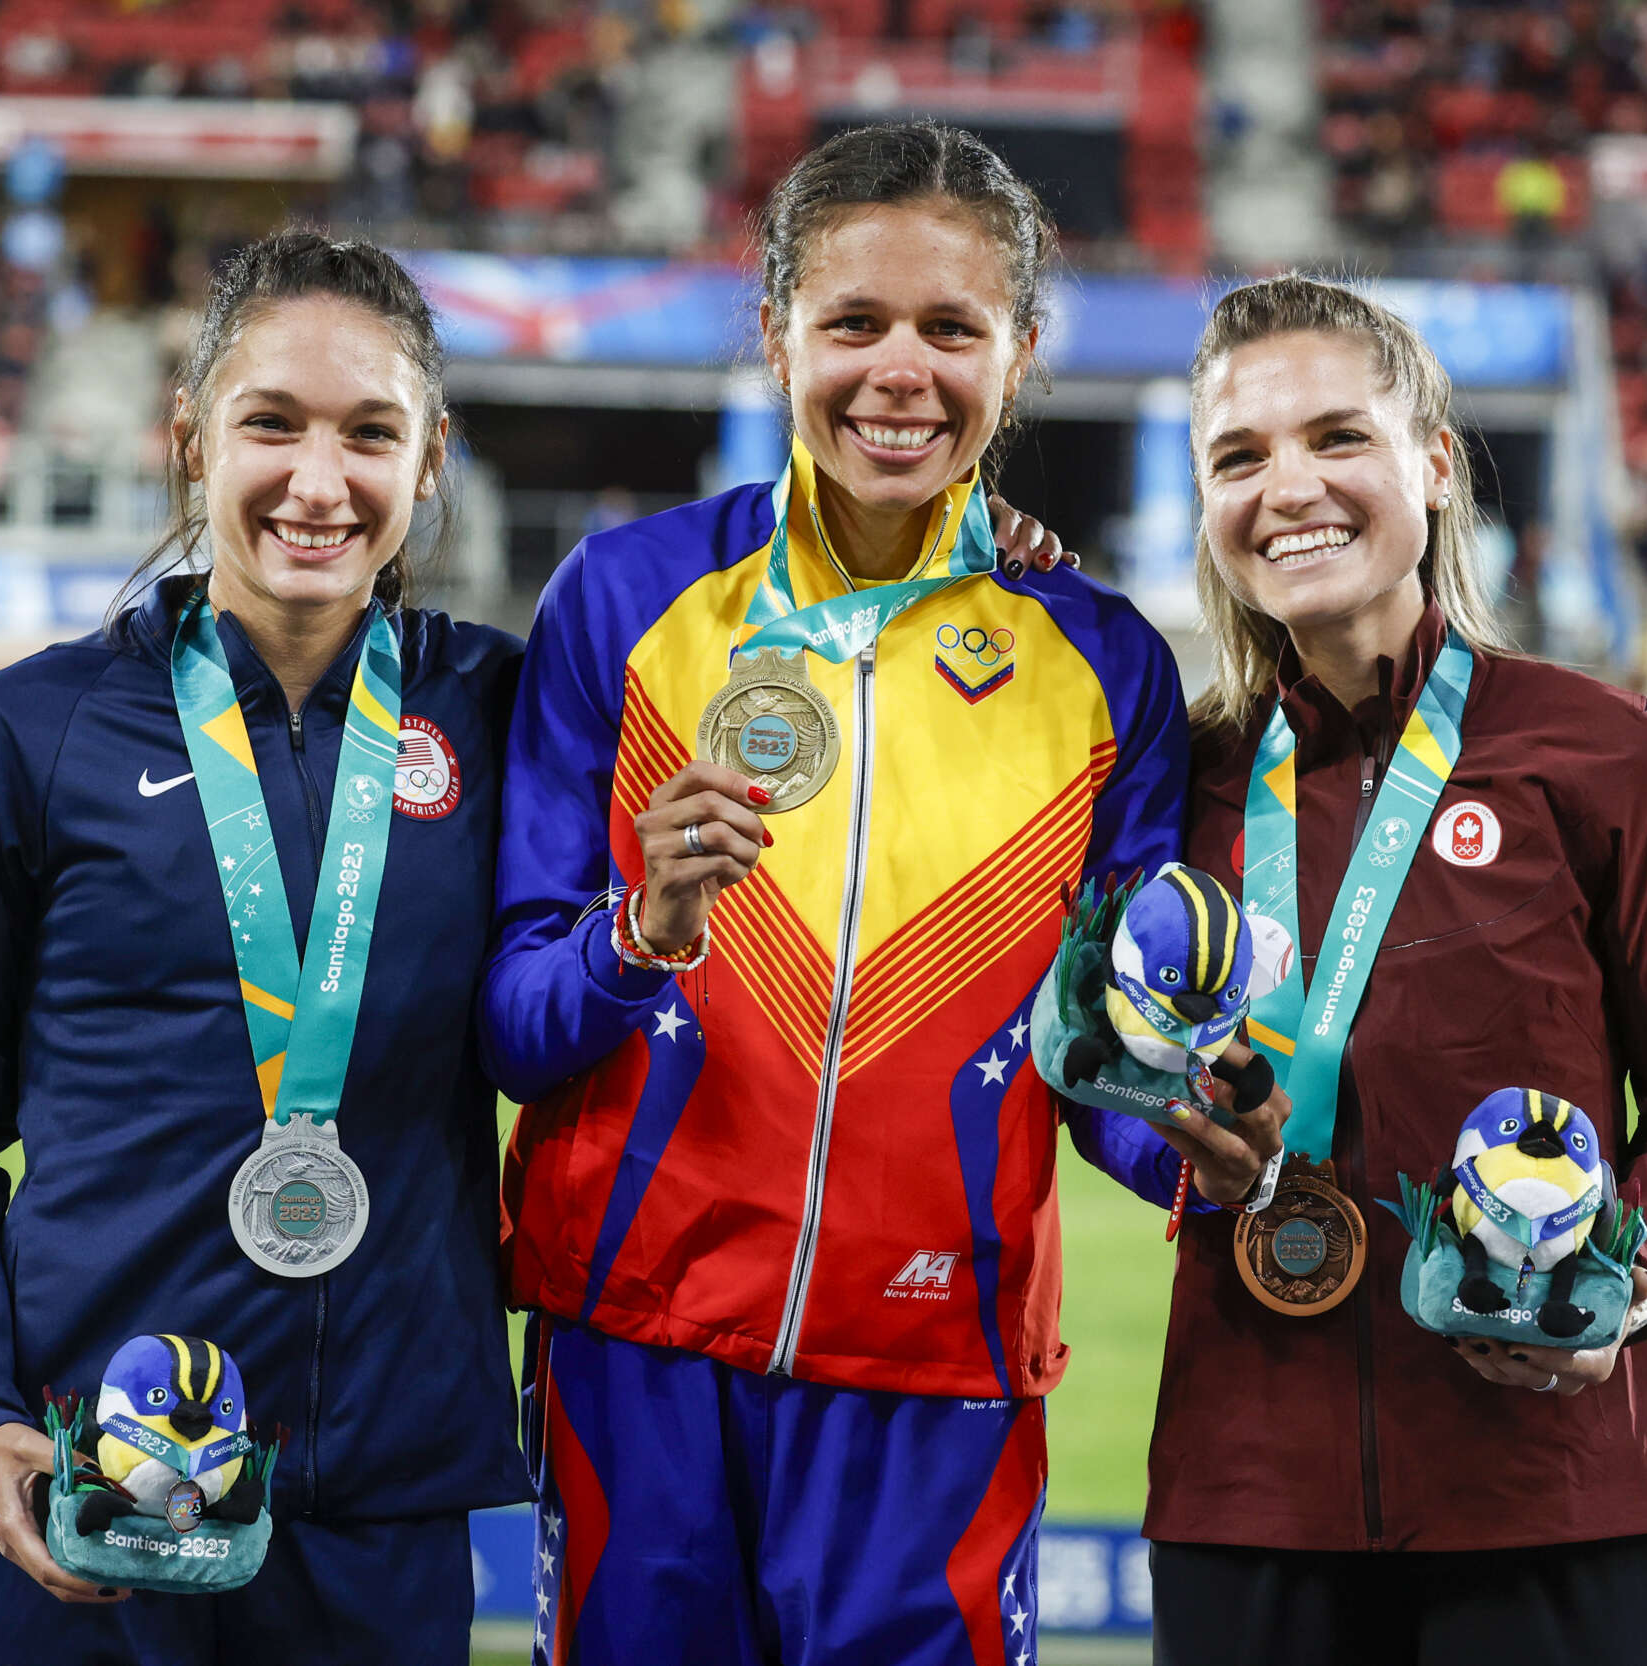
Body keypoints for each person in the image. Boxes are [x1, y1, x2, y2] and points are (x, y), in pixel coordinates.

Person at [479, 121, 1189, 1666]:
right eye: (852, 322)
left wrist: (1219, 1154)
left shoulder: (1104, 663)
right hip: (637, 1355)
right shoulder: (625, 601)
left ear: (1021, 351)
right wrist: (637, 938)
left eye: (953, 328)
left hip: (939, 1372)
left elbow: (1113, 1070)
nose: (899, 373)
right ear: (773, 333)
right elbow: (515, 1028)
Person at [0, 231, 530, 1665]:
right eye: (269, 423)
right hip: (85, 1505)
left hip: (380, 1514)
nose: (317, 479)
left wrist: (993, 548)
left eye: (369, 431)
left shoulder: (505, 714)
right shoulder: (24, 738)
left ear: (428, 461)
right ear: (190, 442)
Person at [1132, 274, 1647, 1665]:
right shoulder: (1176, 785)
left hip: (1548, 1483)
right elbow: (1094, 1077)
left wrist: (1623, 1279)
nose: (1288, 486)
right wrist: (1172, 1137)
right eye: (1237, 457)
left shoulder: (1610, 755)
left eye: (1336, 437)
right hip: (1250, 1497)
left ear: (1432, 457)